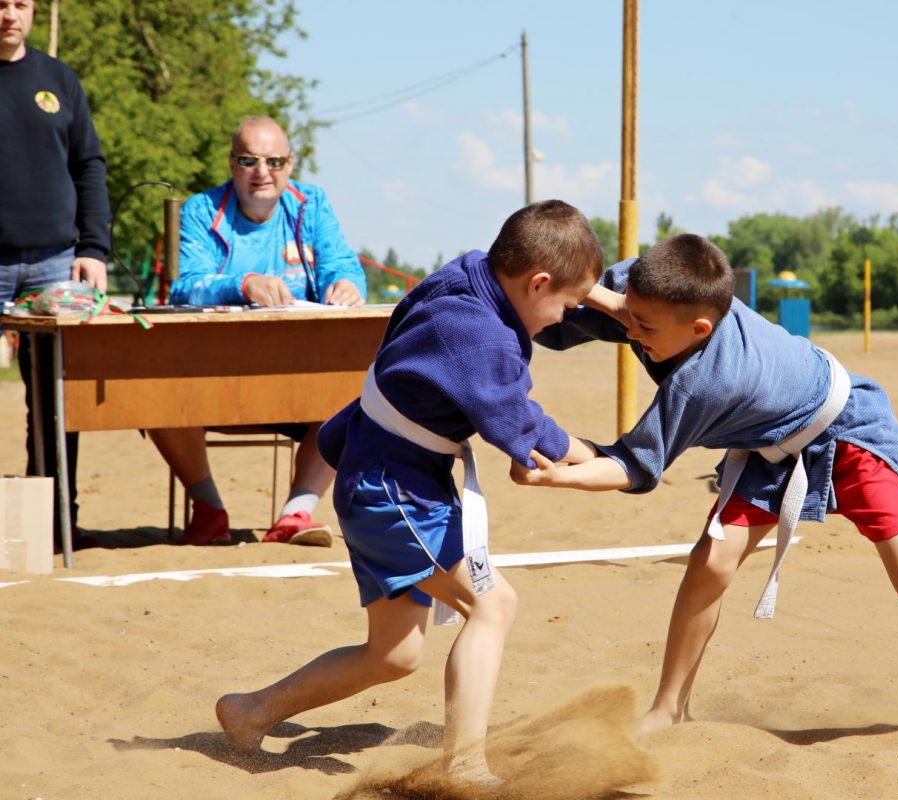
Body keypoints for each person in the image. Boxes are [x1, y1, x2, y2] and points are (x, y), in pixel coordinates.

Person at [516, 233, 898, 734]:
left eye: (643, 328)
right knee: (711, 563)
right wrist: (596, 296)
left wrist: (555, 478)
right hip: (773, 446)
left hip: (851, 434)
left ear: (699, 328)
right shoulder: (652, 289)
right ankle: (671, 710)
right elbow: (596, 293)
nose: (631, 331)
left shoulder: (706, 381)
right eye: (631, 314)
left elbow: (633, 467)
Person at [214, 199, 603, 784]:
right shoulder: (478, 335)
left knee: (393, 656)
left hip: (388, 474)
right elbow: (516, 424)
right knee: (493, 604)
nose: (561, 321)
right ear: (537, 281)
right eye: (564, 307)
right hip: (390, 488)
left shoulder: (470, 273)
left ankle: (251, 710)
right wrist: (590, 454)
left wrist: (613, 297)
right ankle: (465, 765)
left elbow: (547, 293)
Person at [147, 115, 367, 547]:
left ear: (291, 162)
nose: (262, 172)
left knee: (359, 392)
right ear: (232, 164)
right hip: (211, 375)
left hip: (301, 375)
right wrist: (243, 283)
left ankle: (295, 514)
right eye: (249, 160)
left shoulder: (313, 203)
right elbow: (184, 285)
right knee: (152, 392)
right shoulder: (200, 210)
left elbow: (341, 262)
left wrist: (345, 285)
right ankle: (208, 509)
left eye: (275, 160)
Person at [0, 0, 110, 552]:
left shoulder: (58, 79)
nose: (9, 14)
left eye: (19, 2)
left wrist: (94, 246)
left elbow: (88, 163)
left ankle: (54, 522)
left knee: (52, 399)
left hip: (54, 262)